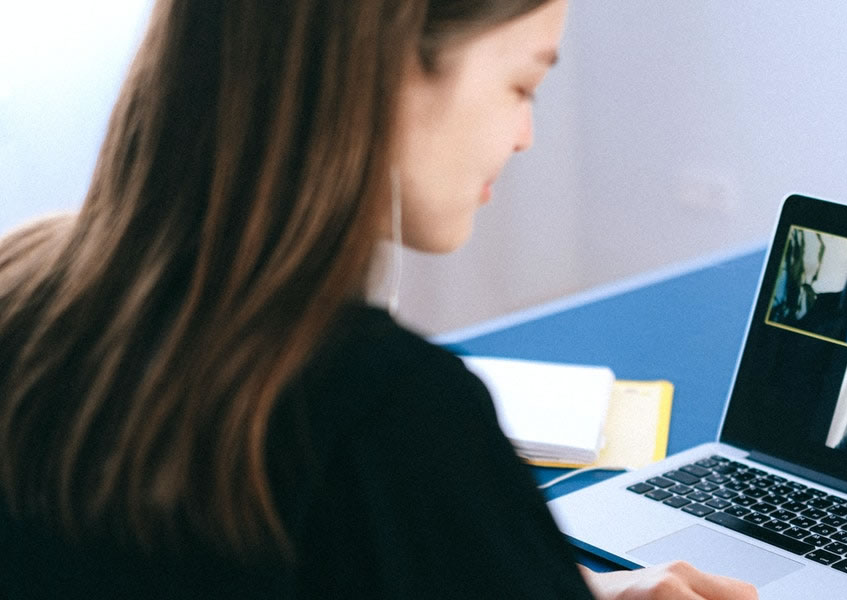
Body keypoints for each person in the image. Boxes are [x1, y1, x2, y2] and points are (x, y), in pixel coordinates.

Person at [0, 1, 755, 598]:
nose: (526, 134)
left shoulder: (22, 288)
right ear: (383, 65)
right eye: (521, 84)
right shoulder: (390, 419)